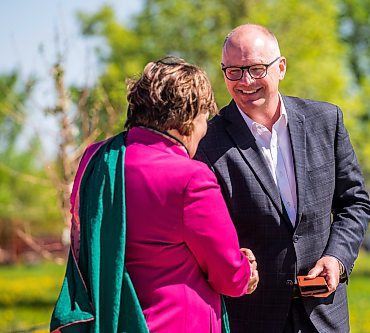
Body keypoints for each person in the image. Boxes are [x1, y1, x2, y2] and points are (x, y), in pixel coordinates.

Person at [51, 56, 258, 333]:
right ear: (187, 118)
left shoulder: (97, 158)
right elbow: (229, 277)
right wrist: (247, 271)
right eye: (203, 118)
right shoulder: (191, 178)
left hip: (111, 322)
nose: (205, 128)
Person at [195, 24, 370, 332]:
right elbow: (205, 234)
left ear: (281, 67)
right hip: (251, 319)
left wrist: (336, 258)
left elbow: (354, 203)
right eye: (233, 71)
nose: (245, 81)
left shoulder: (326, 121)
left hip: (324, 316)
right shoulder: (206, 142)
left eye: (255, 68)